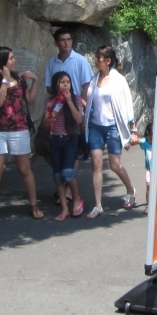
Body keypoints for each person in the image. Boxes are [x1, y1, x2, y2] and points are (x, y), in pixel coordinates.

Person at [0, 46, 41, 226]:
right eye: (11, 58)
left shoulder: (19, 78)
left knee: (24, 169)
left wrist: (35, 81)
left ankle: (34, 204)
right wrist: (5, 80)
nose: (14, 61)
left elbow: (30, 100)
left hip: (19, 128)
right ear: (2, 61)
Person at [84, 46, 140, 218]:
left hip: (113, 127)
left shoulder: (119, 80)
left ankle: (130, 190)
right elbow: (89, 102)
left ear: (108, 61)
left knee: (115, 165)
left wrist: (133, 130)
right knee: (96, 164)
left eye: (98, 58)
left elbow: (128, 104)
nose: (96, 60)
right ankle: (98, 205)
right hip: (95, 127)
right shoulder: (94, 80)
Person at [44, 27, 94, 205]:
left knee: (73, 148)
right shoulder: (52, 62)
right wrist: (56, 100)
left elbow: (86, 85)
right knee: (53, 148)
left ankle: (68, 190)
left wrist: (80, 104)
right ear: (56, 43)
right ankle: (63, 184)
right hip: (57, 108)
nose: (66, 43)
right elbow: (49, 86)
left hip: (74, 108)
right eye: (62, 40)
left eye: (69, 39)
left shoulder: (80, 60)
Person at [44, 71, 84, 222]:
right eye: (62, 82)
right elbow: (46, 125)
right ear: (56, 85)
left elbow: (79, 120)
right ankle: (64, 209)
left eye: (68, 82)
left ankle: (76, 199)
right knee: (58, 176)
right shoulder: (50, 101)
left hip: (69, 139)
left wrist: (69, 102)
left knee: (68, 172)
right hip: (54, 139)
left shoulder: (76, 98)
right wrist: (49, 118)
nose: (66, 85)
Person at [140, 121, 154, 214]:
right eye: (149, 136)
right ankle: (148, 204)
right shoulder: (145, 143)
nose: (150, 138)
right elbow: (137, 140)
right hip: (149, 169)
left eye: (152, 136)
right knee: (148, 186)